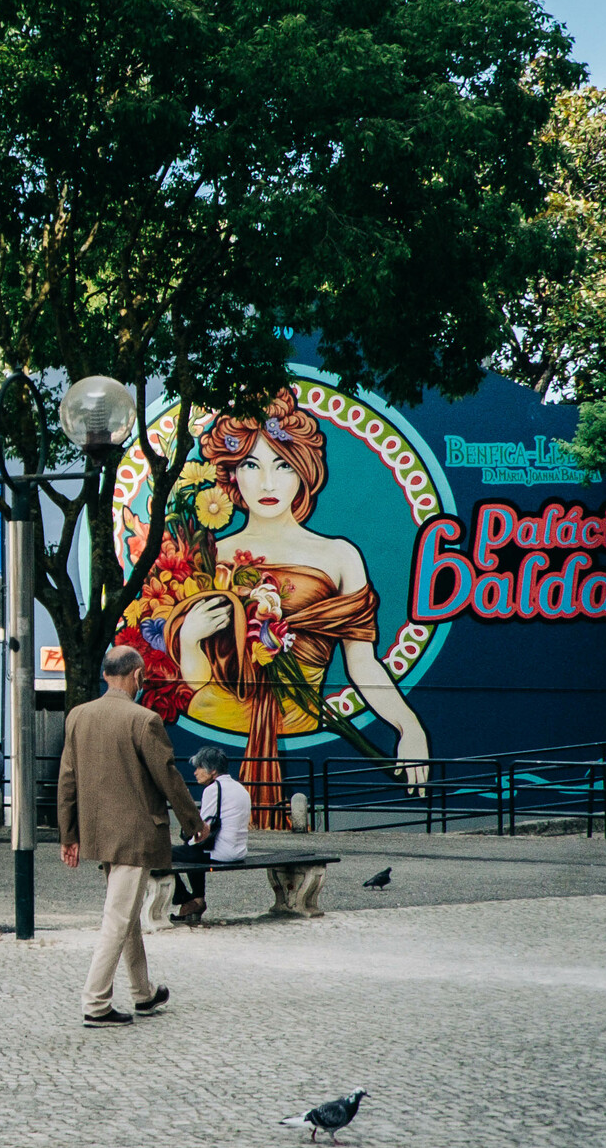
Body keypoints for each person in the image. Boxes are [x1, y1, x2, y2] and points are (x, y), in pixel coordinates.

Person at [161, 396, 431, 825]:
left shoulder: (340, 556)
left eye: (283, 464)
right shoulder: (211, 555)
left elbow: (361, 663)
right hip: (215, 713)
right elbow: (192, 680)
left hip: (301, 720)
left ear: (304, 472)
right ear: (231, 474)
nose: (267, 482)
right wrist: (190, 639)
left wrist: (408, 726)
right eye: (251, 465)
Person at [59, 645, 204, 1027]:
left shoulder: (78, 716)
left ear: (106, 675)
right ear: (138, 676)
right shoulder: (144, 720)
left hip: (98, 833)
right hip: (136, 836)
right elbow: (168, 777)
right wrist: (194, 824)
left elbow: (67, 779)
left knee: (125, 916)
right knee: (117, 918)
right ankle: (96, 1003)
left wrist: (68, 835)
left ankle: (143, 992)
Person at [171, 744, 251, 925]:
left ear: (212, 770)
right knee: (190, 850)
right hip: (238, 851)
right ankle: (197, 899)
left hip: (220, 852)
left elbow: (201, 829)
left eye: (200, 767)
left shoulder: (213, 790)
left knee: (160, 854)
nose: (195, 772)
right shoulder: (240, 788)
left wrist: (186, 833)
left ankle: (185, 899)